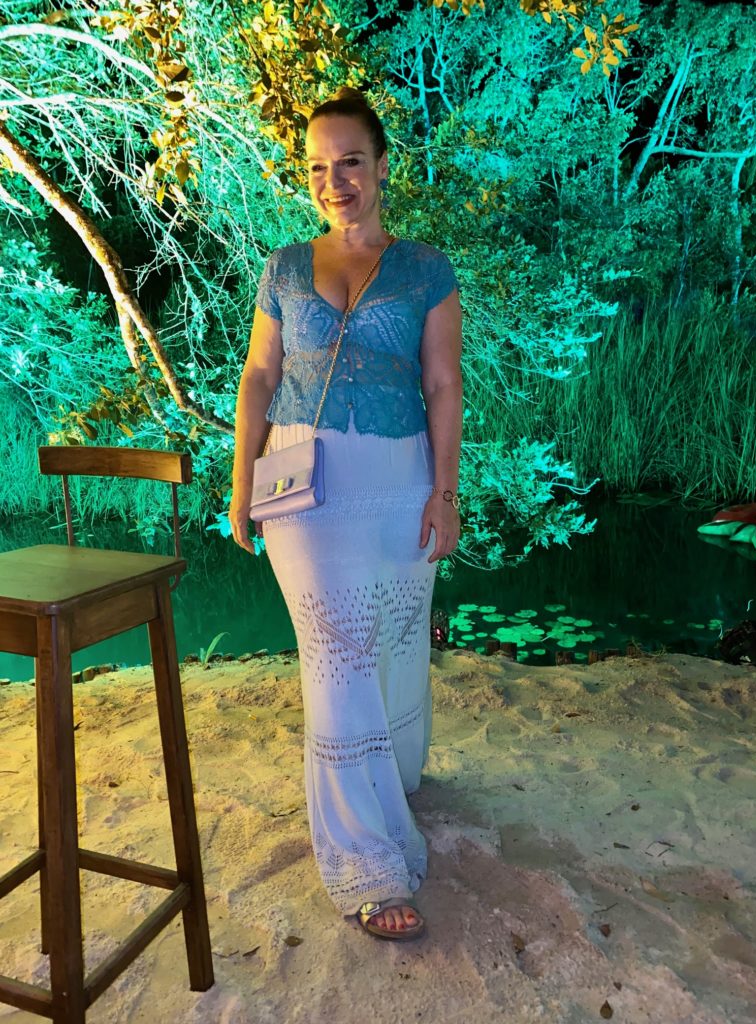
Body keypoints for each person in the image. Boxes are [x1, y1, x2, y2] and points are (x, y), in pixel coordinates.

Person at [229, 87, 462, 940]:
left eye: (351, 162)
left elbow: (443, 383)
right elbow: (259, 376)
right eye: (320, 167)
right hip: (304, 487)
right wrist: (240, 481)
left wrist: (446, 493)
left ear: (382, 166)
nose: (336, 182)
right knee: (334, 655)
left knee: (392, 639)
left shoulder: (426, 267)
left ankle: (392, 774)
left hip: (398, 479)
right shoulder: (284, 267)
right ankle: (367, 862)